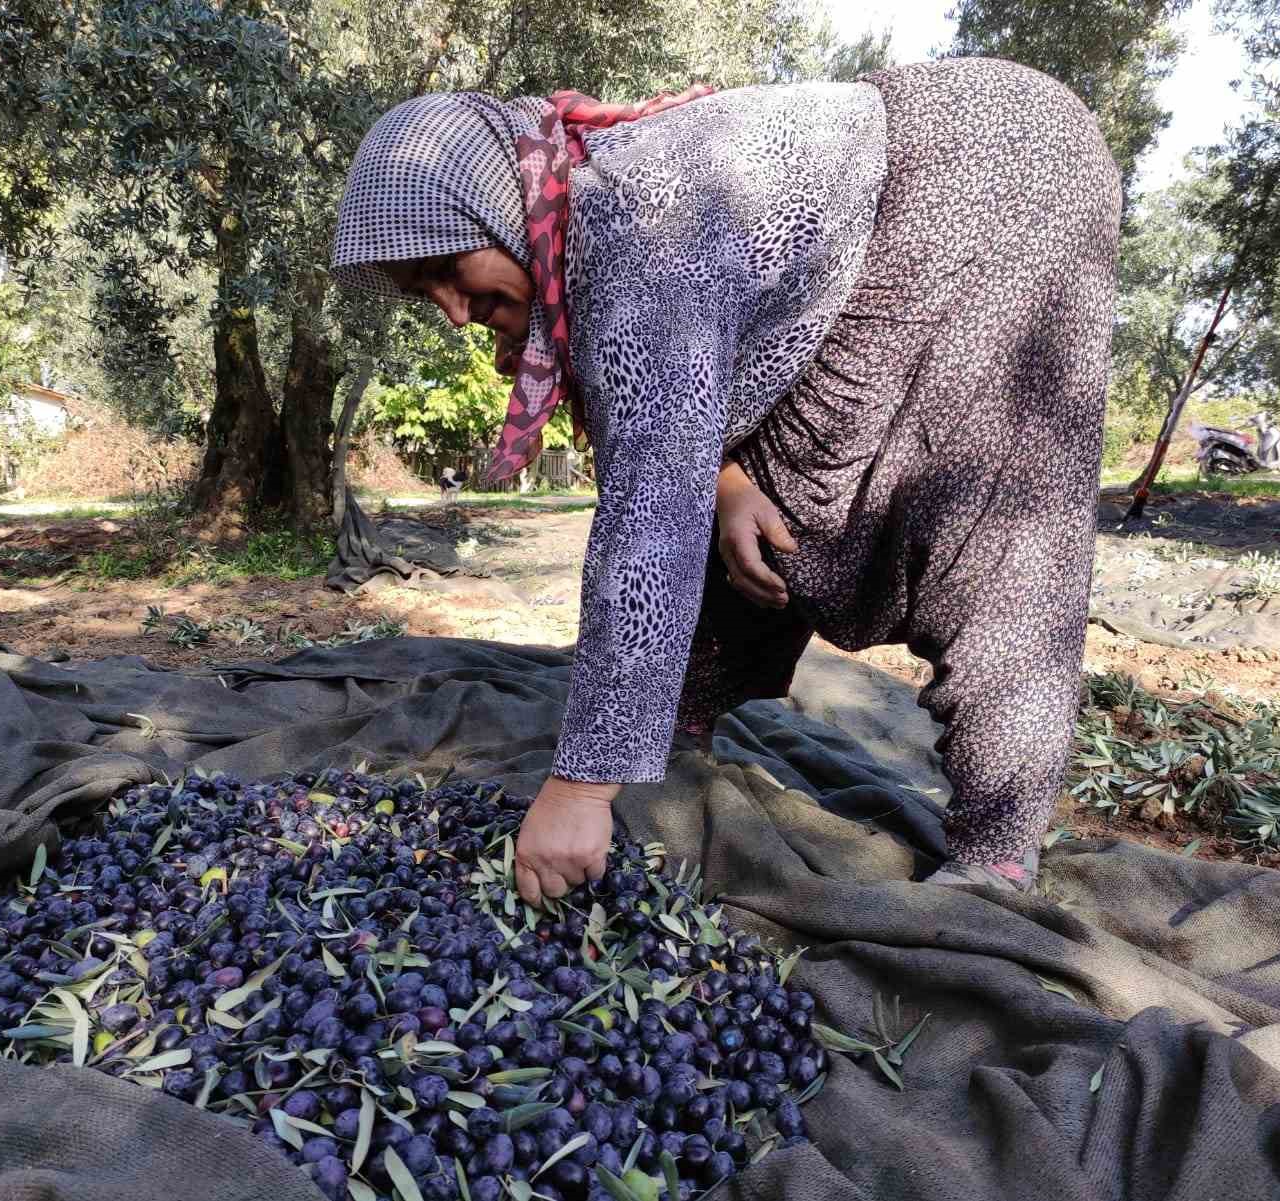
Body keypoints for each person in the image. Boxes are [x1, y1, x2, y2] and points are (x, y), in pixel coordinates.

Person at [328, 58, 1121, 902]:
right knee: (767, 500)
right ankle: (675, 723)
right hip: (913, 187)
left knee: (992, 527)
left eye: (452, 268)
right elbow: (719, 381)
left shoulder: (634, 223)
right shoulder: (586, 212)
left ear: (497, 206)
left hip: (996, 177)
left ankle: (996, 852)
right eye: (427, 296)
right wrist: (733, 479)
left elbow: (649, 521)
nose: (452, 309)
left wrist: (580, 789)